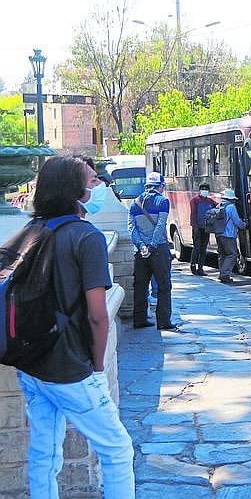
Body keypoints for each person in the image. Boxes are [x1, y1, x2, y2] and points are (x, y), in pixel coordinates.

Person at [16, 155, 135, 497]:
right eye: (93, 182)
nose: (99, 187)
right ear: (74, 190)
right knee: (117, 450)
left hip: (31, 363)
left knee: (44, 451)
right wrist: (97, 367)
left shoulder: (30, 231)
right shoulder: (87, 237)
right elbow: (97, 314)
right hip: (70, 367)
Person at [128, 171, 177, 330]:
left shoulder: (135, 203)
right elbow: (160, 226)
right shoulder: (162, 201)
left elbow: (131, 228)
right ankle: (163, 321)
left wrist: (141, 245)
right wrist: (152, 246)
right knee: (164, 285)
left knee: (140, 285)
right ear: (160, 186)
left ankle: (139, 319)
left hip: (140, 251)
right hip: (158, 249)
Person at [216, 188, 246, 284]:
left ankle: (222, 272)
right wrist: (244, 225)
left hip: (219, 234)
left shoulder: (219, 205)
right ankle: (225, 274)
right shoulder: (231, 207)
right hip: (228, 235)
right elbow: (237, 221)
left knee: (222, 254)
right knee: (232, 254)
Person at [189, 183, 216, 276]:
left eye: (206, 189)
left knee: (203, 248)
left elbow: (217, 206)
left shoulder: (210, 201)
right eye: (203, 189)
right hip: (197, 227)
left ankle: (200, 268)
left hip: (206, 227)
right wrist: (194, 226)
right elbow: (193, 214)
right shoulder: (195, 200)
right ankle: (193, 265)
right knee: (197, 247)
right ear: (200, 190)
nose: (205, 191)